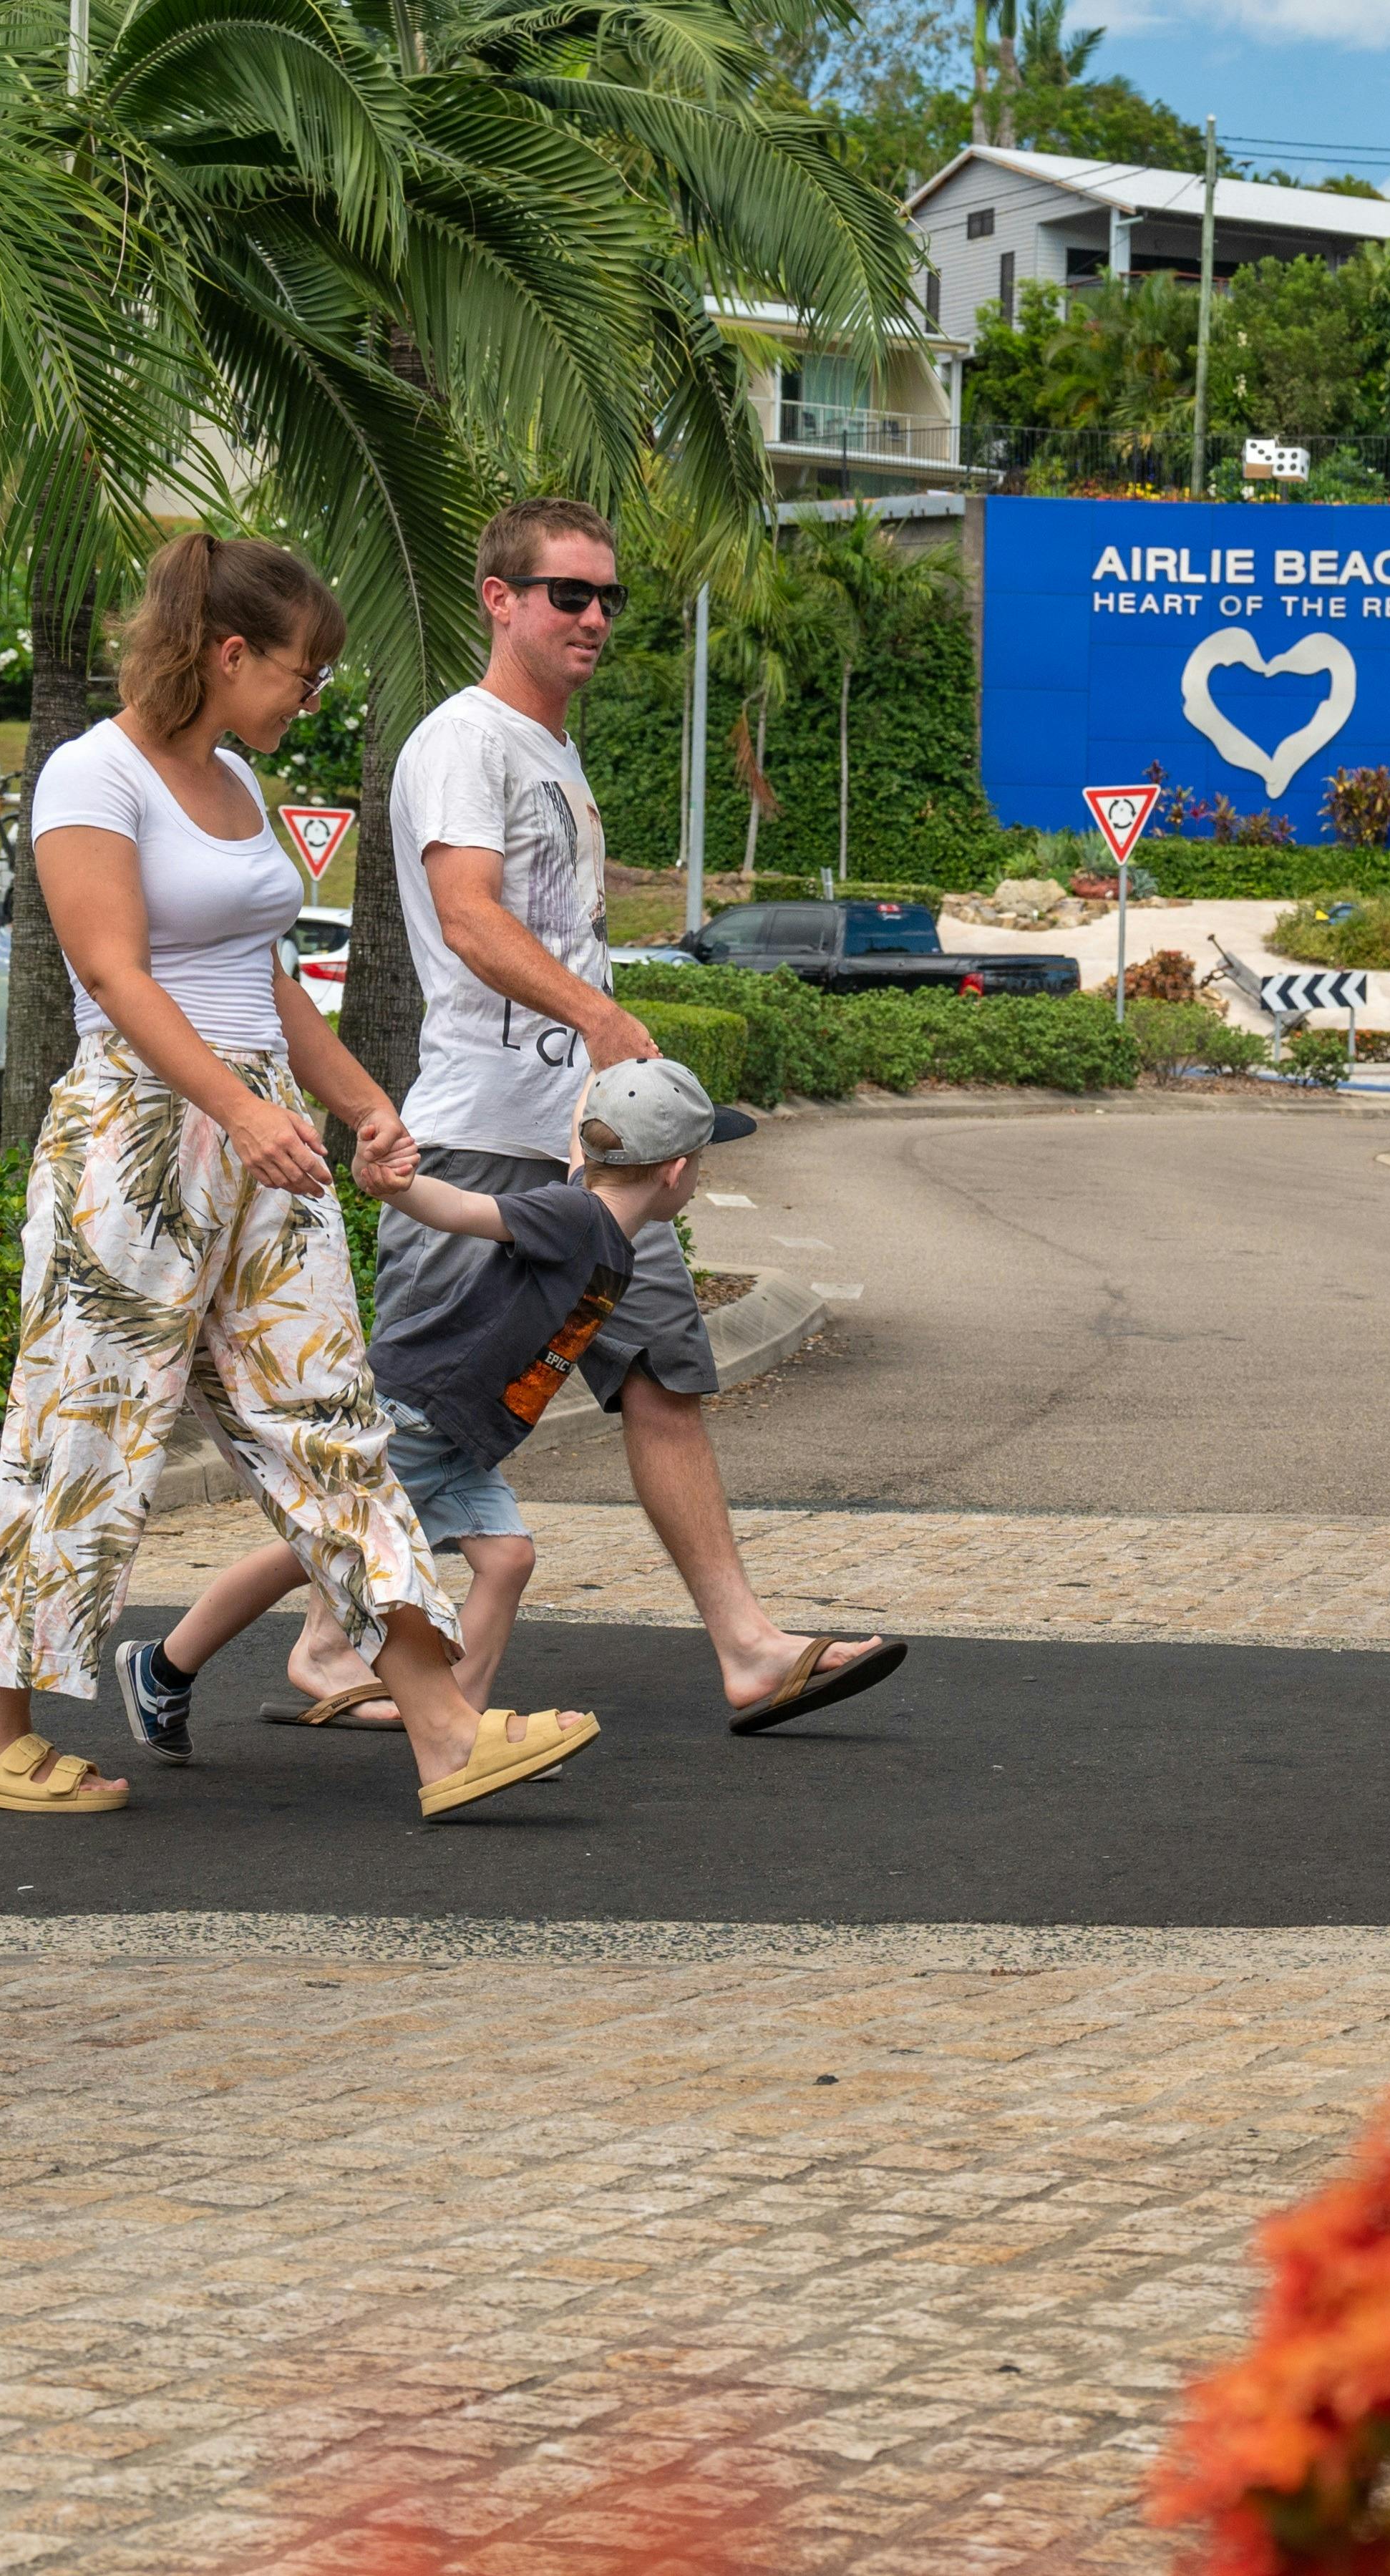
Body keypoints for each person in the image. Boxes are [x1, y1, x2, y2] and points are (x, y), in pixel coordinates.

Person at [0, 528, 598, 1824]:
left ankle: (442, 1724)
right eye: (301, 669)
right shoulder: (92, 775)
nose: (312, 694)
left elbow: (261, 975)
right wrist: (235, 1110)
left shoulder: (232, 778)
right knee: (83, 1425)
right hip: (136, 1133)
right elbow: (118, 976)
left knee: (331, 1421)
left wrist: (356, 1103)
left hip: (258, 1128)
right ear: (228, 652)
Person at [266, 494, 900, 1738]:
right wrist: (606, 1024)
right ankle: (321, 1642)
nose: (596, 615)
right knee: (420, 1414)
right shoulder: (466, 740)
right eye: (569, 592)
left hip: (594, 1147)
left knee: (663, 1372)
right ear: (499, 599)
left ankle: (750, 1650)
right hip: (484, 1133)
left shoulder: (549, 749)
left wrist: (616, 1069)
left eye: (609, 596)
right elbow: (470, 919)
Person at [115, 1059, 742, 1756]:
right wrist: (400, 1186)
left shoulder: (586, 1203)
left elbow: (579, 1148)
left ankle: (463, 1732)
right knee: (314, 1551)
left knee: (506, 1560)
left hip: (462, 1438)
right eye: (703, 1167)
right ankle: (163, 1666)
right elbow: (469, 1210)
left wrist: (597, 1067)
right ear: (675, 1172)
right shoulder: (574, 1216)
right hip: (420, 1414)